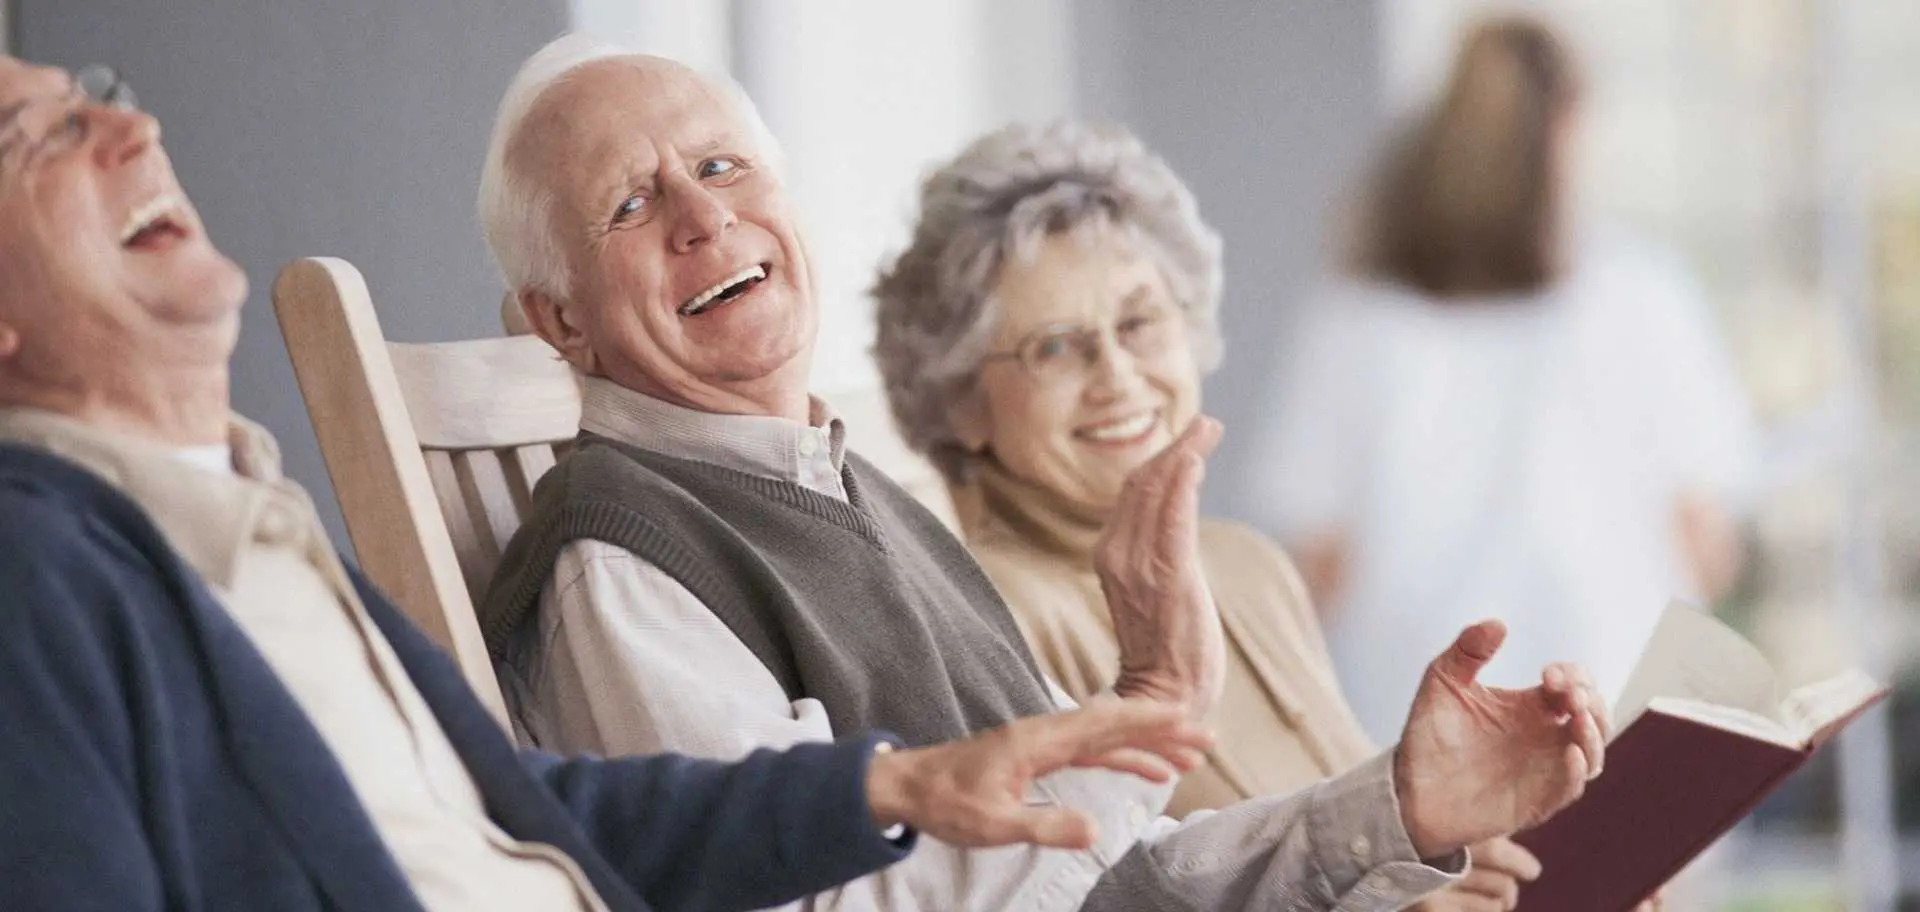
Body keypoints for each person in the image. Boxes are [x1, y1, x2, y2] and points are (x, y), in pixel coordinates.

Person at [0, 52, 1231, 912]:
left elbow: (518, 805)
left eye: (725, 166)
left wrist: (879, 785)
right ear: (560, 326)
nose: (137, 129)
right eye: (39, 136)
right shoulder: (39, 574)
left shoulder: (240, 520)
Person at [479, 34, 1609, 912]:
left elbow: (1121, 876)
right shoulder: (618, 551)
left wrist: (1404, 809)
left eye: (723, 166)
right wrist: (1145, 713)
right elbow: (827, 900)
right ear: (558, 320)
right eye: (631, 203)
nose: (705, 214)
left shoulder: (853, 492)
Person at [871, 117, 1554, 911]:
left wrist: (1479, 861)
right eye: (1055, 347)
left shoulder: (1247, 565)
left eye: (1138, 322)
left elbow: (1384, 837)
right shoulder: (981, 611)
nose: (1117, 377)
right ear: (960, 401)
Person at [1255, 15, 1760, 743]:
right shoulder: (1643, 294)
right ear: (1568, 125)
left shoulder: (1359, 313)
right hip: (1619, 718)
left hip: (1420, 737)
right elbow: (1706, 542)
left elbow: (1319, 567)